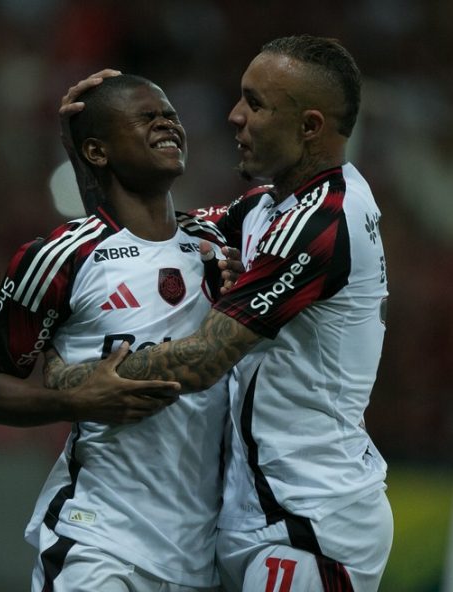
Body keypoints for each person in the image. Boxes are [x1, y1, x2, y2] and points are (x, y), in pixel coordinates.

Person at [47, 36, 393, 591]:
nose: (235, 117)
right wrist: (93, 151)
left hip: (308, 520)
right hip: (250, 516)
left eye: (256, 104)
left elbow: (203, 360)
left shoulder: (326, 220)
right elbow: (142, 241)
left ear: (309, 127)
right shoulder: (266, 205)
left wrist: (77, 383)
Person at [0, 73, 239, 591]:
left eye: (170, 115)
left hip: (199, 558)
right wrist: (79, 400)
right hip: (98, 541)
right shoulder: (59, 257)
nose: (166, 123)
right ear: (97, 150)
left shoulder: (216, 239)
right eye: (145, 116)